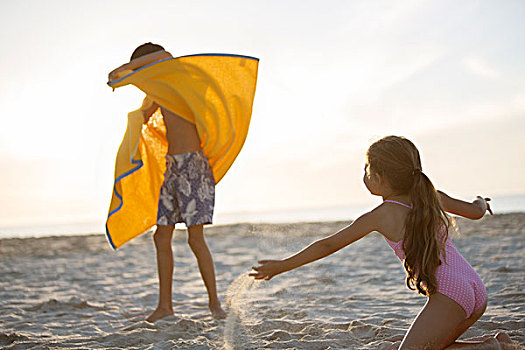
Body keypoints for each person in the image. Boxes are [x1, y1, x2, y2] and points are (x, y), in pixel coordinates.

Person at [250, 136, 516, 349]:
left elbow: (327, 246)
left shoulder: (380, 215)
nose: (364, 174)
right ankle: (493, 344)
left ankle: (490, 347)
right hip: (475, 287)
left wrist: (282, 265)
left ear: (379, 178)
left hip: (450, 295)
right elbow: (475, 211)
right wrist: (482, 200)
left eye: (367, 168)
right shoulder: (431, 195)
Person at [109, 43, 226, 322]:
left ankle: (214, 304)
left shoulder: (180, 79)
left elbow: (164, 58)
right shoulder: (159, 93)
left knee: (195, 239)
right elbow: (137, 108)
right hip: (172, 168)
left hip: (194, 166)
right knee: (161, 235)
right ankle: (165, 307)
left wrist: (130, 69)